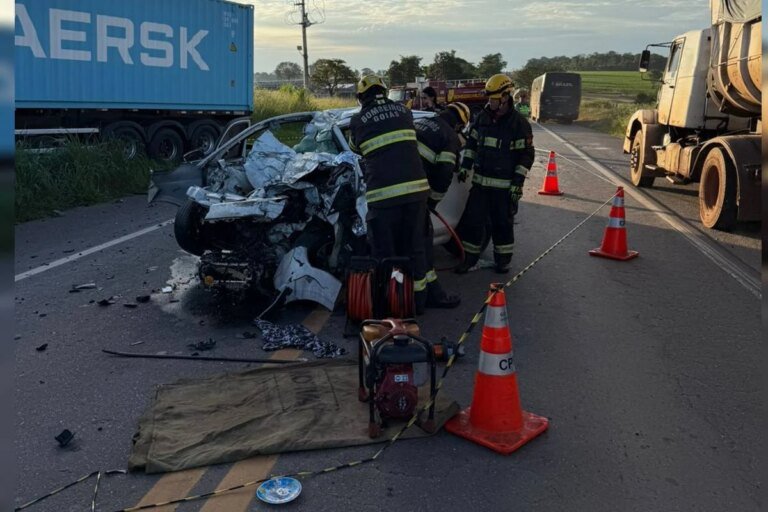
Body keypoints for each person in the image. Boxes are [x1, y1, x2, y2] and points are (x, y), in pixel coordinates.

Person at [348, 75, 431, 313]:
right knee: (415, 247)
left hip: (383, 197)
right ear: (383, 91)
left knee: (385, 252)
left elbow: (355, 149)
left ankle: (386, 304)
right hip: (415, 191)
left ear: (360, 97)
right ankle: (418, 303)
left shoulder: (358, 119)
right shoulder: (404, 111)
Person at [454, 74, 535, 274]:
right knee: (473, 222)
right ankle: (470, 259)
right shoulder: (482, 117)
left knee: (502, 225)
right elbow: (472, 144)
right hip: (480, 184)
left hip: (504, 187)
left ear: (506, 97)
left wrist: (518, 182)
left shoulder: (518, 124)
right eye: (489, 98)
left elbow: (526, 155)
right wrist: (465, 165)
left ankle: (503, 261)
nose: (490, 102)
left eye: (494, 98)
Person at [414, 101, 472, 308]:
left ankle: (405, 294)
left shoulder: (422, 123)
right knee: (421, 244)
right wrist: (433, 201)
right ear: (459, 125)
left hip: (393, 188)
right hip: (416, 193)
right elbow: (446, 174)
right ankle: (422, 299)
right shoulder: (449, 137)